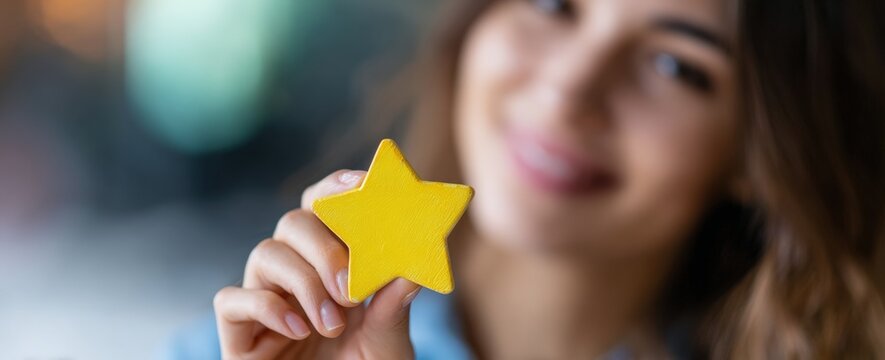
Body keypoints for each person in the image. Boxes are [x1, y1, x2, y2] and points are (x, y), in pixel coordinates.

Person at [190, 0, 885, 358]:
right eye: (553, 3)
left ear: (756, 156)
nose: (567, 91)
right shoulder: (243, 347)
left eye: (676, 66)